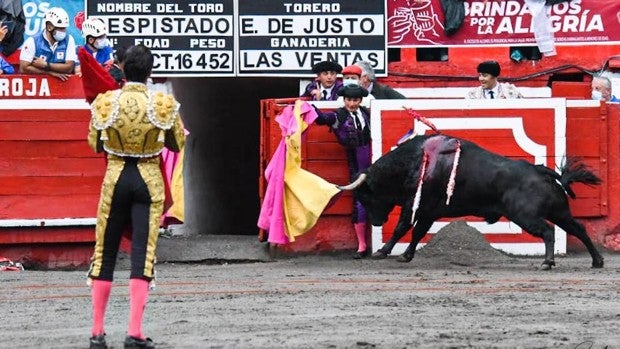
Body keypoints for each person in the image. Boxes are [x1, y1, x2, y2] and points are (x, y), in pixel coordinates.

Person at [86, 44, 186, 349]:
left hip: (116, 178)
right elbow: (177, 144)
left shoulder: (105, 102)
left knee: (105, 252)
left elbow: (95, 145)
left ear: (122, 67)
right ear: (150, 72)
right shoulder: (163, 104)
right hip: (148, 180)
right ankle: (134, 332)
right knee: (142, 253)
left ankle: (98, 333)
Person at [313, 84, 372, 259]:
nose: (352, 103)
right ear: (344, 100)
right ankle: (362, 244)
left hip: (374, 160)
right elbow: (323, 119)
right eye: (348, 100)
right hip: (355, 162)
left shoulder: (367, 113)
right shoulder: (339, 114)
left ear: (360, 100)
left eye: (355, 100)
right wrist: (310, 107)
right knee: (359, 200)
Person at [19, 7, 76, 81]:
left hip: (62, 86)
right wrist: (50, 73)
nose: (63, 31)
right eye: (60, 28)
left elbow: (69, 67)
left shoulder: (69, 40)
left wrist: (46, 65)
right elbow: (24, 68)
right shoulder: (32, 41)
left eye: (64, 28)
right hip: (37, 87)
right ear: (49, 27)